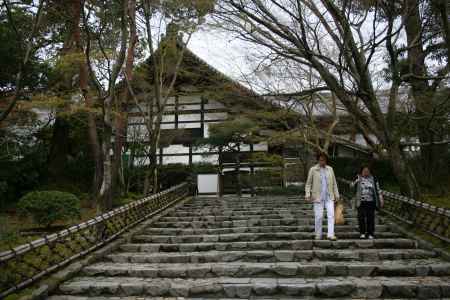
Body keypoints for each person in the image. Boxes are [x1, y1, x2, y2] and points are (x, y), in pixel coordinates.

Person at [305, 152, 340, 241]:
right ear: (318, 160)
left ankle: (330, 234)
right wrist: (308, 194)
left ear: (326, 160)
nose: (322, 162)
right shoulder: (313, 169)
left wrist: (337, 195)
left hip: (329, 196)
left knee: (331, 215)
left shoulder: (330, 169)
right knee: (319, 216)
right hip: (317, 197)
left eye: (324, 160)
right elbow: (308, 184)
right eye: (320, 160)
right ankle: (318, 234)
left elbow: (334, 183)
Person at [351, 165, 384, 239]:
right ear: (361, 172)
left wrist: (381, 198)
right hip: (361, 201)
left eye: (367, 171)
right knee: (361, 217)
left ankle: (370, 233)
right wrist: (356, 180)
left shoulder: (373, 179)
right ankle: (362, 233)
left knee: (370, 218)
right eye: (364, 171)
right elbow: (351, 186)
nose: (366, 173)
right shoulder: (358, 178)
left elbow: (378, 189)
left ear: (370, 172)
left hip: (371, 201)